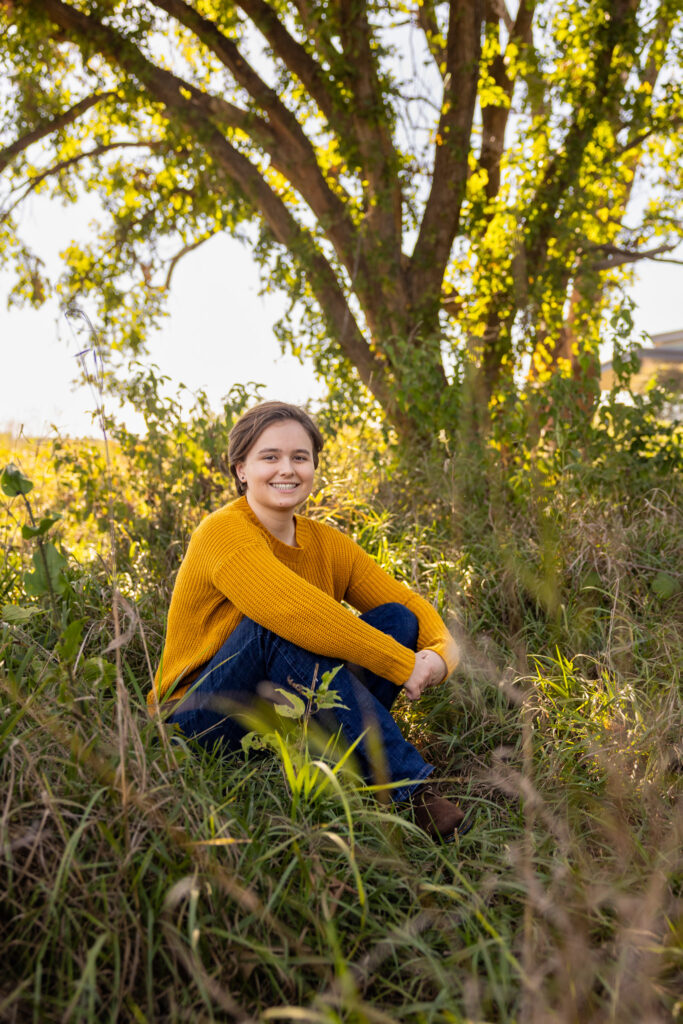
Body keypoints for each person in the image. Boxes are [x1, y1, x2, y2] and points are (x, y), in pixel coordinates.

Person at [150, 401, 469, 841]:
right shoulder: (222, 531)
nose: (288, 469)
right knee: (276, 628)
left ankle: (327, 759)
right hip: (196, 721)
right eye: (270, 457)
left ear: (314, 467)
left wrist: (436, 658)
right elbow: (292, 610)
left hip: (277, 716)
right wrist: (401, 664)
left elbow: (409, 604)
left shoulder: (327, 544)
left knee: (396, 620)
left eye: (300, 457)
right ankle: (409, 792)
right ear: (241, 469)